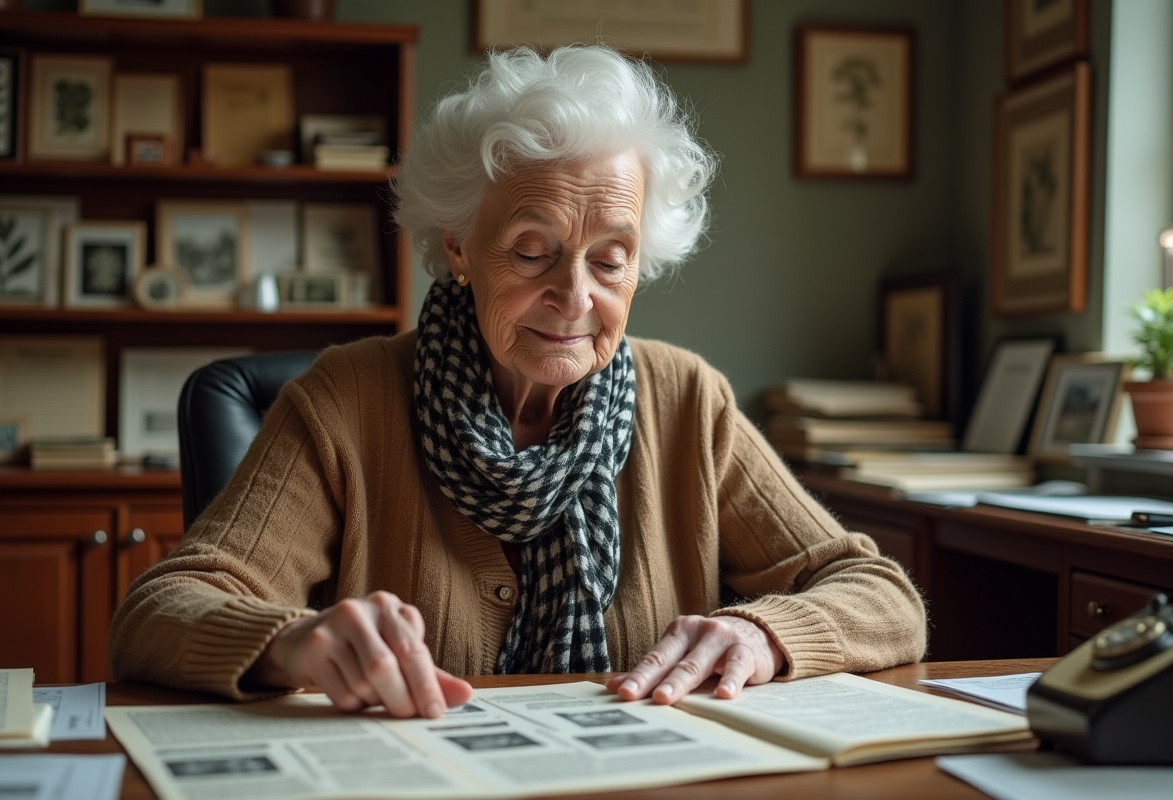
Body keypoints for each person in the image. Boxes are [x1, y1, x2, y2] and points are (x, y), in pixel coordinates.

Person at [109, 44, 926, 719]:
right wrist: (292, 640)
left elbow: (882, 595)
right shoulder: (346, 402)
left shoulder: (687, 401)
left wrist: (763, 634)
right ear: (459, 245)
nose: (576, 298)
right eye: (533, 252)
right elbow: (160, 608)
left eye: (612, 259)